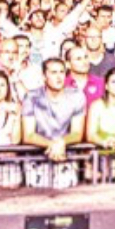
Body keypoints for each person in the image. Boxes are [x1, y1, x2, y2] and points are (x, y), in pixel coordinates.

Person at [22, 58, 87, 189]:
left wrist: (61, 143)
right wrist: (53, 145)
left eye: (62, 72)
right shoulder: (32, 97)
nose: (58, 77)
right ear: (44, 76)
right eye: (53, 72)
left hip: (66, 160)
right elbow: (28, 135)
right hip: (37, 162)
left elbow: (77, 133)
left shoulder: (76, 96)